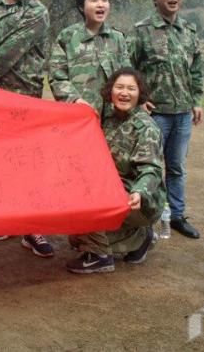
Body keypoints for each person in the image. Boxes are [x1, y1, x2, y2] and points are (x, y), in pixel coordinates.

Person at [0, 0, 54, 257]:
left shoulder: (37, 12)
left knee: (28, 164)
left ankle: (32, 228)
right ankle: (6, 219)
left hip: (23, 99)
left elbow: (7, 53)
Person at [66, 68, 166, 273]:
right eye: (119, 87)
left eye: (131, 88)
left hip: (139, 199)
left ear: (140, 94)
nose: (124, 93)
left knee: (85, 206)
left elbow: (151, 169)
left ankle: (100, 257)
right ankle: (140, 237)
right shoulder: (109, 119)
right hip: (112, 189)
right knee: (76, 237)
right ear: (110, 91)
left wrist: (140, 191)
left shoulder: (146, 128)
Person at [130, 0, 203, 239]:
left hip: (182, 113)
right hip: (154, 114)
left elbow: (196, 69)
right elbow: (128, 67)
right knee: (148, 167)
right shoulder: (142, 30)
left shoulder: (189, 31)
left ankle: (177, 216)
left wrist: (197, 100)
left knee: (176, 167)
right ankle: (146, 218)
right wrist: (140, 99)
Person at [49, 0, 131, 115]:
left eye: (105, 0)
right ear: (81, 7)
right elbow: (57, 77)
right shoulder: (68, 37)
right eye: (94, 0)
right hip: (80, 113)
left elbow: (128, 75)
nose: (101, 4)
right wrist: (75, 100)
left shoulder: (118, 38)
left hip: (114, 114)